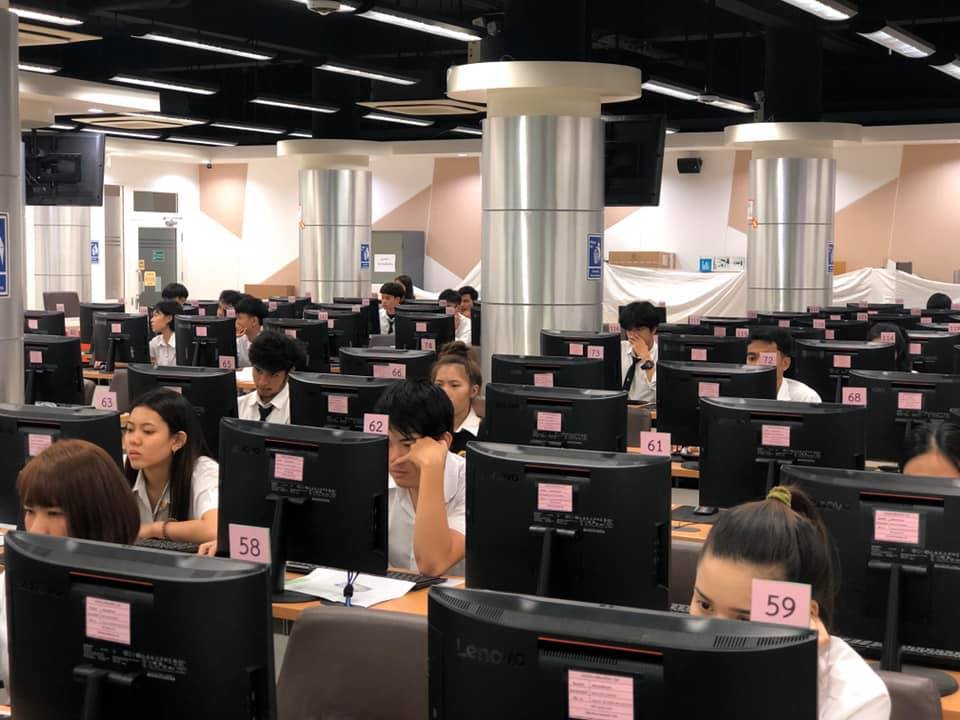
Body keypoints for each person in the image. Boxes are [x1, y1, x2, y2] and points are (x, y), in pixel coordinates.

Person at [691, 485, 891, 720]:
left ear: (804, 614)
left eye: (744, 619)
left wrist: (789, 679)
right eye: (705, 606)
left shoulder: (859, 699)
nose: (714, 636)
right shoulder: (672, 662)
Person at [0, 440, 142, 694]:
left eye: (54, 513)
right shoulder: (14, 580)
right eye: (30, 511)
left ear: (97, 514)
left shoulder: (137, 590)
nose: (36, 530)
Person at [375, 380, 465, 576]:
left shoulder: (471, 483)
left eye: (408, 444)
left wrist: (431, 466)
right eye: (387, 443)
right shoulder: (371, 477)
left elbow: (432, 564)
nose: (394, 458)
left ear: (444, 442)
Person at [124, 388, 219, 544]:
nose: (134, 440)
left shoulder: (204, 471)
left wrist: (153, 529)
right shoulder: (118, 467)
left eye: (148, 431)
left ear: (177, 440)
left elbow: (214, 529)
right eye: (130, 429)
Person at [237, 331, 304, 424]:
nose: (262, 382)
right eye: (258, 371)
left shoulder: (300, 412)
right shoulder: (238, 407)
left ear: (289, 373)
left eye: (273, 374)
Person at [432, 342, 482, 455]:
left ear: (473, 391)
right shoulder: (424, 431)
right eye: (439, 385)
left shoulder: (485, 435)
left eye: (454, 385)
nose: (444, 392)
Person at [747, 327, 821, 402]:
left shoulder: (805, 398)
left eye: (766, 358)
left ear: (785, 363)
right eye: (752, 358)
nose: (757, 365)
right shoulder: (739, 392)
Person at [620, 301, 660, 403]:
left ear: (653, 330)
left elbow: (663, 394)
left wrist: (646, 358)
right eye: (629, 330)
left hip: (648, 411)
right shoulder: (619, 349)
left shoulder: (662, 355)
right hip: (617, 408)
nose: (633, 335)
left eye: (639, 329)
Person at [235, 295, 267, 368]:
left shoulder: (269, 342)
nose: (236, 322)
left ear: (254, 321)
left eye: (239, 318)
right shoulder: (239, 340)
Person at [149, 300, 180, 367]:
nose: (151, 320)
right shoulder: (155, 342)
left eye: (155, 315)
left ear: (169, 318)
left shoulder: (181, 344)